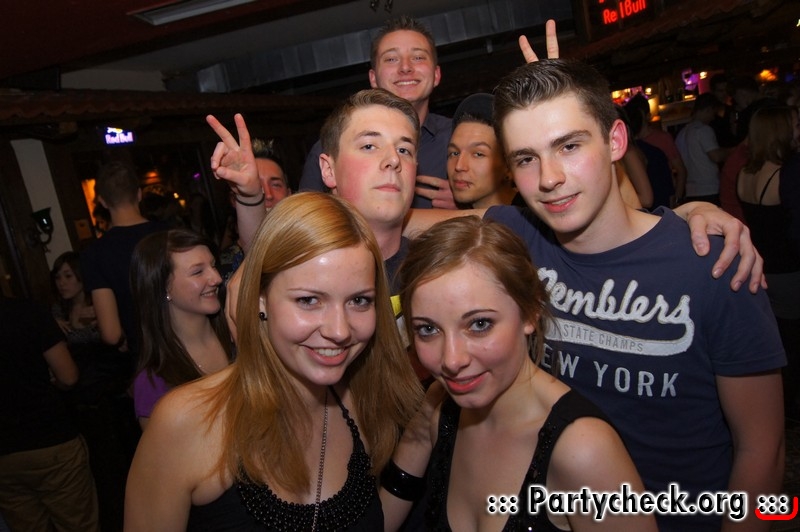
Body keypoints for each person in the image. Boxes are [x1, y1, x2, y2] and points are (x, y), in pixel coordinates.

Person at [480, 58, 784, 531]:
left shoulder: (712, 262)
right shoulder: (517, 238)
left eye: (569, 145)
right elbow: (396, 226)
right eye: (526, 158)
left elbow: (763, 450)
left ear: (616, 141)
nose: (548, 177)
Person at [124, 192, 423, 531]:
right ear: (260, 298)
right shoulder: (186, 423)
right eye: (309, 300)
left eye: (359, 301)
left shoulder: (363, 403)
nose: (340, 331)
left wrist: (421, 441)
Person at [383, 216, 656, 531]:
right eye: (428, 329)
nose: (452, 360)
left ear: (530, 312)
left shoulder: (583, 450)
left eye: (479, 324)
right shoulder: (438, 407)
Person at [299, 15, 455, 209]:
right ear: (373, 78)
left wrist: (470, 203)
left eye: (418, 57)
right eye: (391, 59)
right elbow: (307, 221)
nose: (405, 67)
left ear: (436, 74)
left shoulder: (459, 137)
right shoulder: (333, 145)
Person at [0, 296, 100, 532]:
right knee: (78, 525)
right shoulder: (28, 311)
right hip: (49, 439)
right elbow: (68, 376)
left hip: (4, 456)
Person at [130, 228, 234, 429]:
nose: (216, 278)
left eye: (213, 265)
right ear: (164, 287)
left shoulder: (236, 333)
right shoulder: (155, 382)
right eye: (198, 272)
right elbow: (165, 450)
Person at [737, 105, 800, 418]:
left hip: (762, 269)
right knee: (793, 342)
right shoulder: (784, 174)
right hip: (789, 271)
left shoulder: (744, 174)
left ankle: (783, 406)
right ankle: (790, 408)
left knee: (780, 339)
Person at [81, 160, 169, 366]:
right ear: (138, 194)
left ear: (102, 201)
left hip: (149, 359)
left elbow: (111, 334)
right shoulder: (172, 234)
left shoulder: (95, 254)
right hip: (194, 344)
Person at [218, 137, 292, 280]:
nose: (268, 195)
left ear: (289, 195)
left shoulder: (309, 248)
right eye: (257, 186)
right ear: (234, 200)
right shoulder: (223, 270)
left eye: (276, 185)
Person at [447, 93, 518, 208]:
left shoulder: (534, 217)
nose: (459, 166)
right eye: (454, 153)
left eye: (478, 154)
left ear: (508, 166)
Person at [675, 93, 730, 205]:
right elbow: (716, 156)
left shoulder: (681, 134)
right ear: (708, 109)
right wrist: (733, 151)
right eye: (713, 113)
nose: (713, 118)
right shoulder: (703, 130)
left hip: (690, 191)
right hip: (709, 188)